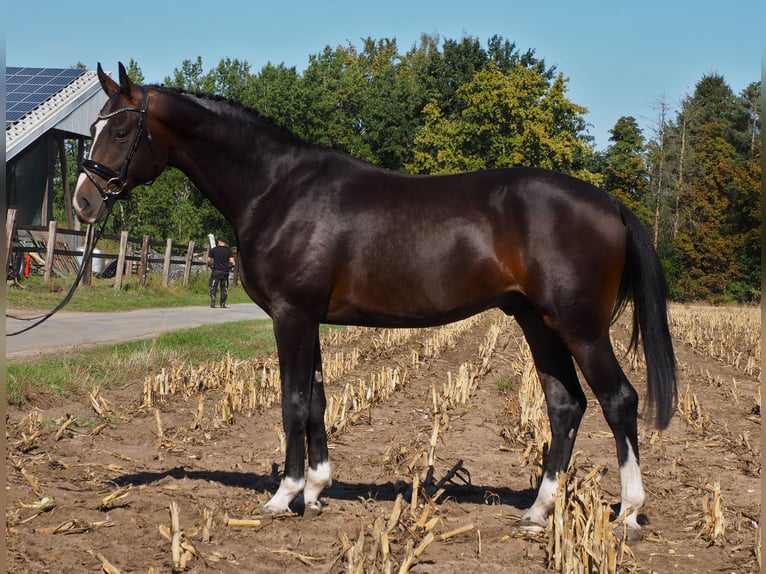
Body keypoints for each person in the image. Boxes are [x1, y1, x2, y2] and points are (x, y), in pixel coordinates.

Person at [207, 237, 235, 308]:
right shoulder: (228, 250)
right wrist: (230, 266)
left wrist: (210, 265)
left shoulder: (214, 250)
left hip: (216, 271)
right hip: (225, 272)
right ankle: (222, 304)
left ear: (219, 241)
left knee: (213, 286)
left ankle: (213, 296)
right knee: (224, 288)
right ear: (224, 242)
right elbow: (232, 261)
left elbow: (209, 260)